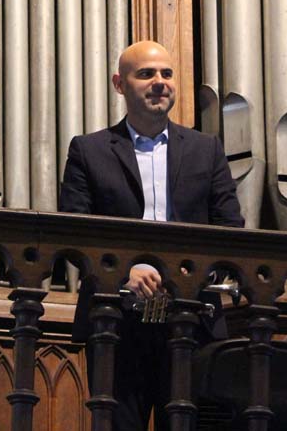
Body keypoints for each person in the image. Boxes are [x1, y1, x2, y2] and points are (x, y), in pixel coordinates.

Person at [59, 40, 244, 431]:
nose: (160, 82)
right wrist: (123, 272)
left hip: (193, 320)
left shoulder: (206, 149)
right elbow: (74, 233)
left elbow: (230, 229)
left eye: (166, 73)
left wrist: (189, 276)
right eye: (146, 74)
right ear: (119, 84)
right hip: (116, 322)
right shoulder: (88, 150)